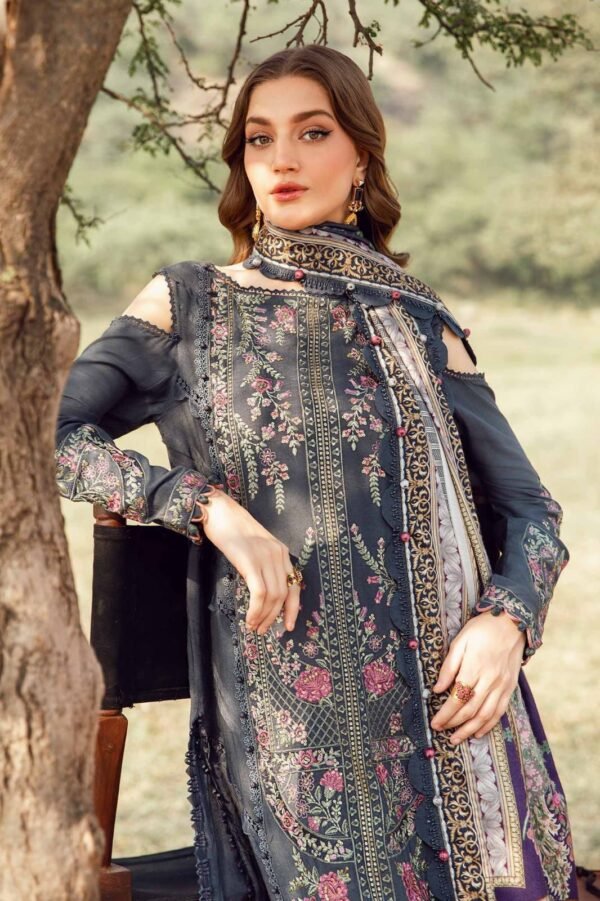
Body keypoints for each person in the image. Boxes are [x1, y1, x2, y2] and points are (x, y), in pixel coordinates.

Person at [54, 44, 578, 901]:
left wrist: (506, 624)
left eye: (312, 132)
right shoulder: (191, 303)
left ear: (361, 156)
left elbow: (531, 512)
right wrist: (205, 507)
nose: (282, 159)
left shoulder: (419, 321)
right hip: (297, 734)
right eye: (259, 139)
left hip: (455, 710)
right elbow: (43, 434)